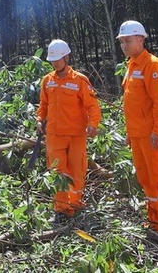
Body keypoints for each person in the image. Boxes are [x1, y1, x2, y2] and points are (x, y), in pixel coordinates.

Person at [117, 20, 158, 242]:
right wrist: (130, 132)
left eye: (128, 40)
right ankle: (156, 222)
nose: (124, 45)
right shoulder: (131, 66)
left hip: (153, 136)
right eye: (122, 41)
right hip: (137, 135)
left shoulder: (152, 65)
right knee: (146, 180)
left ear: (141, 39)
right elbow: (133, 105)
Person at [36, 39, 101, 223]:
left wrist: (93, 124)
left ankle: (75, 203)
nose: (55, 63)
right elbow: (43, 105)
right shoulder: (47, 81)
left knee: (77, 170)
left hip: (76, 135)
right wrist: (40, 119)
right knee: (58, 171)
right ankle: (61, 207)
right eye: (52, 60)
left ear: (66, 57)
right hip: (55, 135)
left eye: (58, 59)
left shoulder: (80, 80)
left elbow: (92, 105)